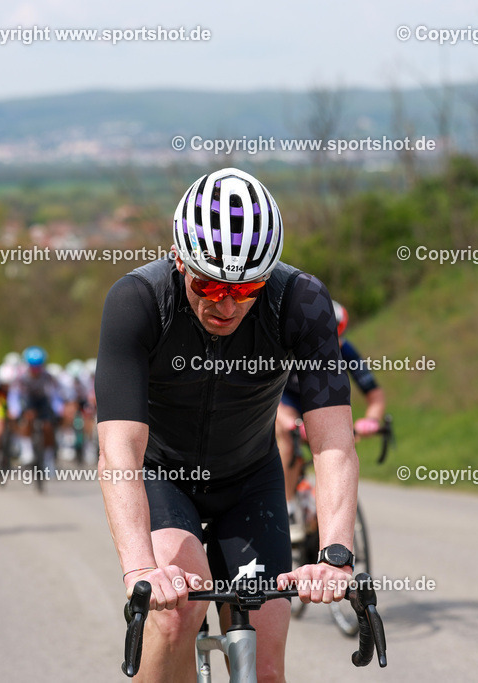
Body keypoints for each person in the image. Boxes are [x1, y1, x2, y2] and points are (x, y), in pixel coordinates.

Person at [96, 167, 361, 682]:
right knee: (175, 614)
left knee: (265, 667)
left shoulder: (302, 303)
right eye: (209, 284)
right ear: (179, 258)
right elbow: (119, 452)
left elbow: (332, 442)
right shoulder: (137, 302)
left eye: (247, 288)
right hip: (163, 476)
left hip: (249, 479)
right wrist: (140, 569)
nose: (226, 303)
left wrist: (335, 555)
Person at [276, 299, 386, 527]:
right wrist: (288, 420)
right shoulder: (286, 347)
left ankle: (324, 511)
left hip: (320, 406)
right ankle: (289, 509)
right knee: (286, 436)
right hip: (286, 405)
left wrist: (371, 420)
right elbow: (266, 395)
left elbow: (374, 395)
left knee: (337, 450)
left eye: (335, 339)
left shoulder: (346, 350)